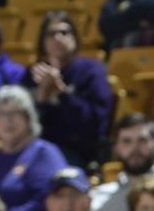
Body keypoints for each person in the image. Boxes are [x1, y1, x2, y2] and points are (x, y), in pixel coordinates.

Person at [28, 10, 118, 169]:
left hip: (78, 150)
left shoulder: (91, 71)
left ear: (75, 37)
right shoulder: (32, 75)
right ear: (42, 41)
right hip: (37, 147)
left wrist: (62, 93)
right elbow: (26, 123)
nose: (58, 38)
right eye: (51, 34)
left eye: (64, 32)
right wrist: (41, 97)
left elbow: (97, 122)